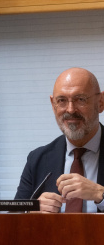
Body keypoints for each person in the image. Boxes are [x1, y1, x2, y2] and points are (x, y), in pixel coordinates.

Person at [15, 67, 104, 213]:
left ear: (100, 102)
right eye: (62, 100)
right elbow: (11, 221)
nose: (70, 109)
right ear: (53, 104)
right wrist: (31, 211)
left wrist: (100, 194)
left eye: (80, 99)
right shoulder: (37, 159)